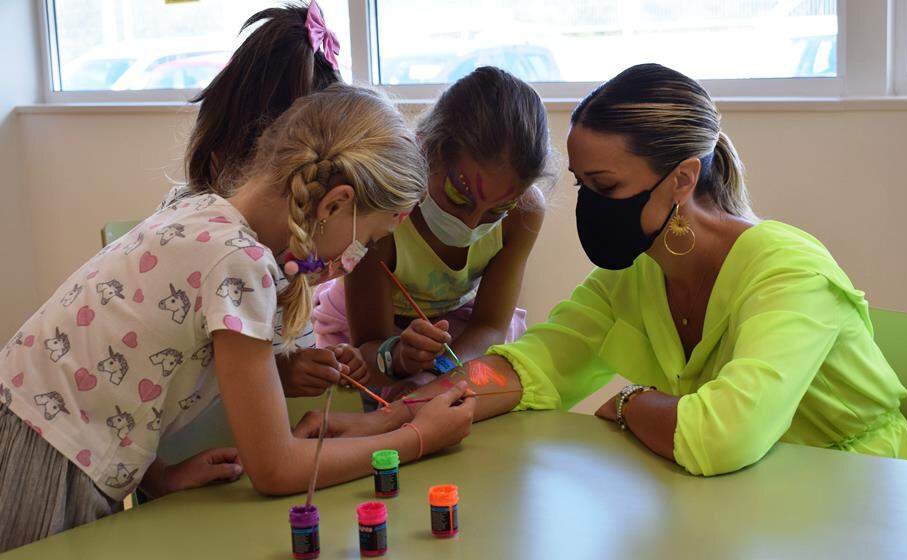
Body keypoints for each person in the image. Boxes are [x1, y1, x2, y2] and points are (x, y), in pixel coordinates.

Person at [301, 64, 907, 477]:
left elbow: (724, 436)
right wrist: (389, 418)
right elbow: (530, 364)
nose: (589, 206)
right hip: (742, 486)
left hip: (856, 485)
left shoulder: (789, 270)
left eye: (605, 186)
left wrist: (628, 403)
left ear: (681, 179)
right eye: (580, 184)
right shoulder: (637, 271)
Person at [0, 85, 475, 552]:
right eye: (367, 240)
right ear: (334, 206)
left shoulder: (198, 210)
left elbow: (109, 365)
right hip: (41, 469)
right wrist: (417, 438)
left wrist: (161, 477)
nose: (358, 257)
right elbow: (276, 469)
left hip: (35, 439)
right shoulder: (239, 265)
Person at [158, 1, 370, 396]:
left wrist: (314, 361)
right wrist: (282, 372)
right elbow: (211, 362)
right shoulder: (230, 247)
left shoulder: (280, 243)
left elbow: (275, 346)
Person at [312, 66, 551, 401]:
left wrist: (438, 373)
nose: (472, 223)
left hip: (458, 333)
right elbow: (368, 343)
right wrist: (400, 358)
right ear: (425, 150)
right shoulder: (385, 211)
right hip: (371, 338)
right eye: (458, 196)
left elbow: (491, 326)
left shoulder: (524, 213)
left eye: (497, 210)